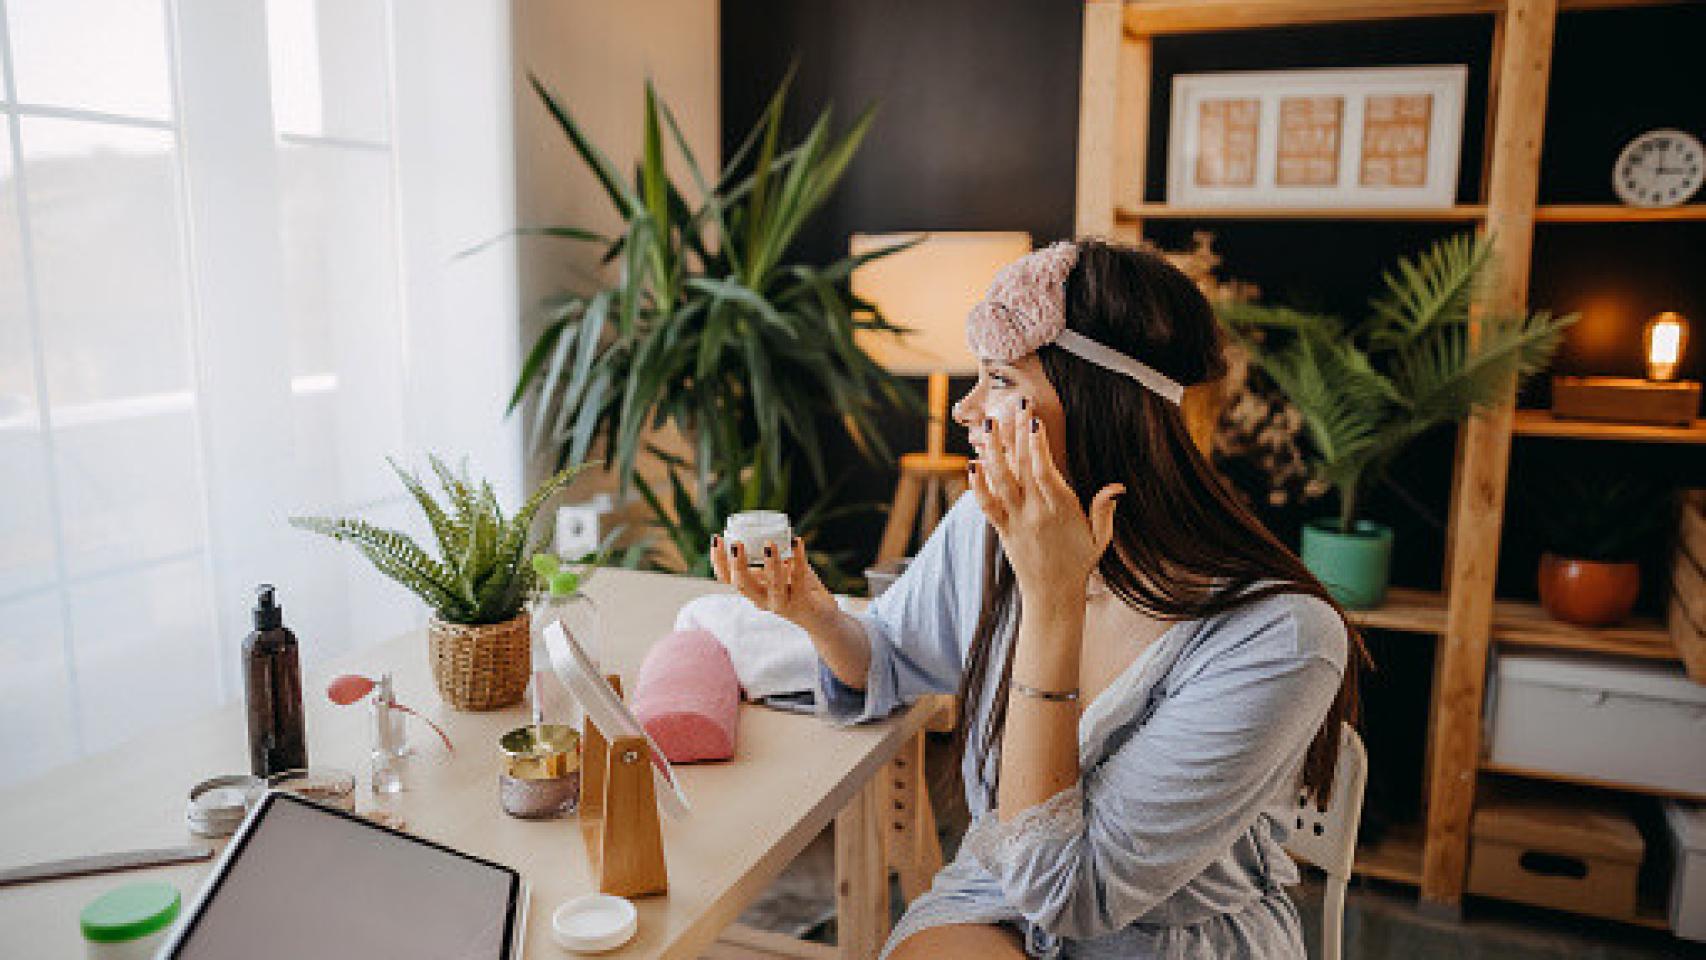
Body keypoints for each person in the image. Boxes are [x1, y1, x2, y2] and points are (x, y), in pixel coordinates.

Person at [710, 239, 1366, 959]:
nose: (965, 409)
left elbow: (1070, 891)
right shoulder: (987, 528)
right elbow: (893, 656)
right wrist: (816, 615)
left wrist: (1051, 603)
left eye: (997, 379)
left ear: (1098, 404)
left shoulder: (1277, 637)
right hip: (997, 895)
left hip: (1168, 936)